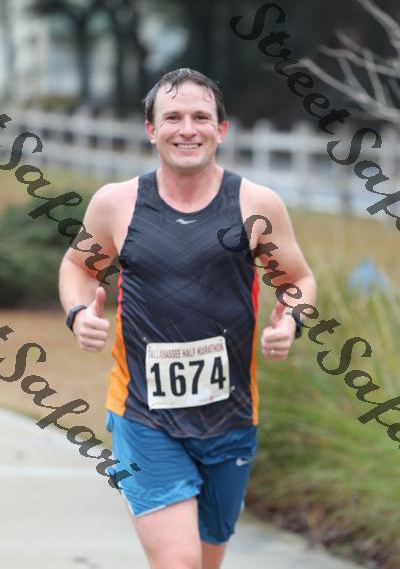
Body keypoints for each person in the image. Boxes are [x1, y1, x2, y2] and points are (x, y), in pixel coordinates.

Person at [59, 67, 316, 569]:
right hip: (142, 414)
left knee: (205, 561)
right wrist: (77, 312)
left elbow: (298, 281)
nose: (187, 129)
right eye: (173, 117)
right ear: (151, 129)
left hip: (230, 417)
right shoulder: (116, 203)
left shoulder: (256, 204)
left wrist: (291, 320)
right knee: (179, 563)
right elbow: (78, 267)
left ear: (221, 129)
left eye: (200, 117)